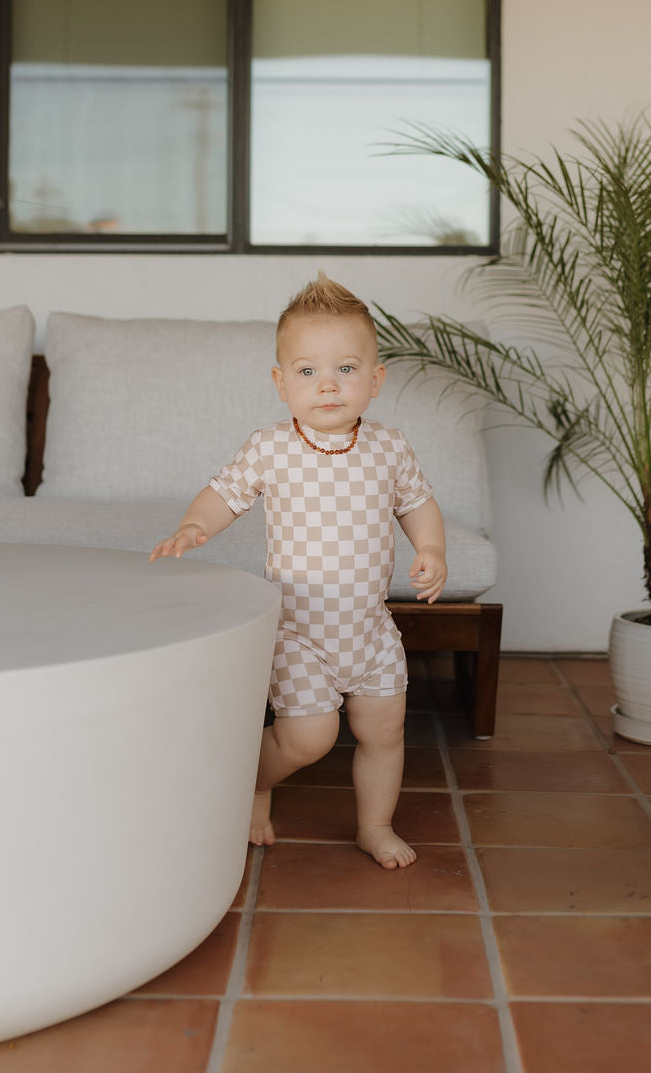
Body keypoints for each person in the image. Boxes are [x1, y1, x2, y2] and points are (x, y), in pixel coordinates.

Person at [149, 275, 447, 869]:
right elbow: (222, 495)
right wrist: (194, 526)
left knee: (383, 731)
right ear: (281, 383)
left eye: (346, 368)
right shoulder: (270, 448)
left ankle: (375, 824)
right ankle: (255, 782)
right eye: (308, 371)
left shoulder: (389, 448)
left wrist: (432, 548)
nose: (328, 385)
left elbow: (417, 504)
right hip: (297, 629)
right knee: (309, 736)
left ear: (376, 380)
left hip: (369, 628)